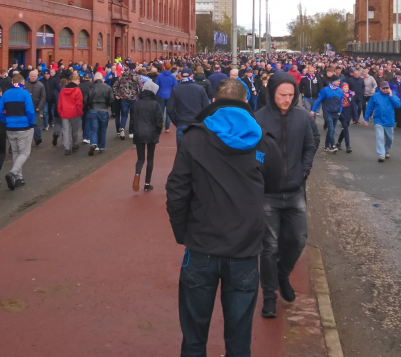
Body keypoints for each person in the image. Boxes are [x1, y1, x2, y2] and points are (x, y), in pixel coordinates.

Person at [165, 78, 279, 357]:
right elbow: (274, 185)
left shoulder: (193, 137)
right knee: (239, 341)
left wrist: (183, 233)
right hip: (244, 251)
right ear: (247, 103)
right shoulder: (263, 141)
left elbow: (176, 191)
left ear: (213, 103)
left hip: (201, 247)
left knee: (193, 339)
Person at [255, 73, 318, 319]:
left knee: (297, 240)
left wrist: (304, 170)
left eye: (291, 95)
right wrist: (263, 167)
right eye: (282, 95)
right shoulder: (258, 118)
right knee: (268, 247)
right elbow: (254, 149)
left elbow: (310, 145)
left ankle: (283, 274)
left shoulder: (302, 117)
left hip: (295, 190)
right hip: (268, 193)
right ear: (272, 93)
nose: (287, 99)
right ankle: (269, 295)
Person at [0, 72, 36, 190]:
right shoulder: (25, 93)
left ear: (12, 82)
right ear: (23, 82)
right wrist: (31, 122)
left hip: (10, 127)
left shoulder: (6, 93)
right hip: (24, 126)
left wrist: (5, 120)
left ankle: (19, 178)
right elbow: (30, 111)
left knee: (16, 152)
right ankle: (13, 173)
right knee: (24, 153)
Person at [131, 81, 165, 191]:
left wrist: (134, 131)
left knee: (140, 158)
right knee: (150, 158)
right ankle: (147, 183)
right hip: (151, 132)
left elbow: (133, 119)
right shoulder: (155, 104)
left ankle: (137, 174)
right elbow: (159, 119)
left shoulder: (137, 103)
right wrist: (158, 131)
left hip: (139, 132)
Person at [168, 68, 210, 144]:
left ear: (181, 77)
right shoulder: (200, 89)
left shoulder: (176, 89)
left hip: (182, 122)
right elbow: (206, 107)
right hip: (197, 123)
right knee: (197, 149)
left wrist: (176, 121)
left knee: (181, 151)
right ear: (192, 76)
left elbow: (170, 109)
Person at [365, 80, 401, 162]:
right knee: (380, 137)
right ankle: (381, 155)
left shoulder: (393, 95)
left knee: (390, 138)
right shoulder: (375, 96)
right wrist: (366, 118)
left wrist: (391, 96)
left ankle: (386, 150)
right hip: (378, 120)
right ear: (380, 88)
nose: (385, 89)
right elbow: (369, 108)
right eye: (383, 88)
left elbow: (398, 105)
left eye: (387, 88)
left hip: (389, 120)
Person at [311, 78, 345, 153]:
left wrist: (340, 111)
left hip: (336, 113)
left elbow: (341, 102)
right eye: (337, 81)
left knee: (331, 130)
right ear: (332, 81)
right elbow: (319, 100)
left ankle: (326, 146)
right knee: (331, 129)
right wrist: (313, 110)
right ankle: (333, 145)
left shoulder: (339, 90)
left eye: (339, 81)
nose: (339, 82)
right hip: (327, 112)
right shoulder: (325, 90)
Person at [83, 72, 113, 154]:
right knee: (103, 129)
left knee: (93, 129)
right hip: (104, 109)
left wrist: (89, 106)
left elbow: (85, 100)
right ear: (102, 79)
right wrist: (107, 105)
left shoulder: (90, 87)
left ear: (94, 79)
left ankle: (93, 143)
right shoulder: (108, 88)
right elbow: (111, 100)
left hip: (93, 109)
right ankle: (102, 147)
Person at [56, 74, 84, 153]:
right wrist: (80, 112)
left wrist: (60, 112)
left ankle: (67, 148)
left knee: (65, 131)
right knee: (74, 131)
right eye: (78, 81)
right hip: (74, 113)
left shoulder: (62, 90)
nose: (79, 82)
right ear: (74, 81)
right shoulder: (77, 90)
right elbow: (79, 104)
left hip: (64, 113)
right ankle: (74, 145)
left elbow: (59, 103)